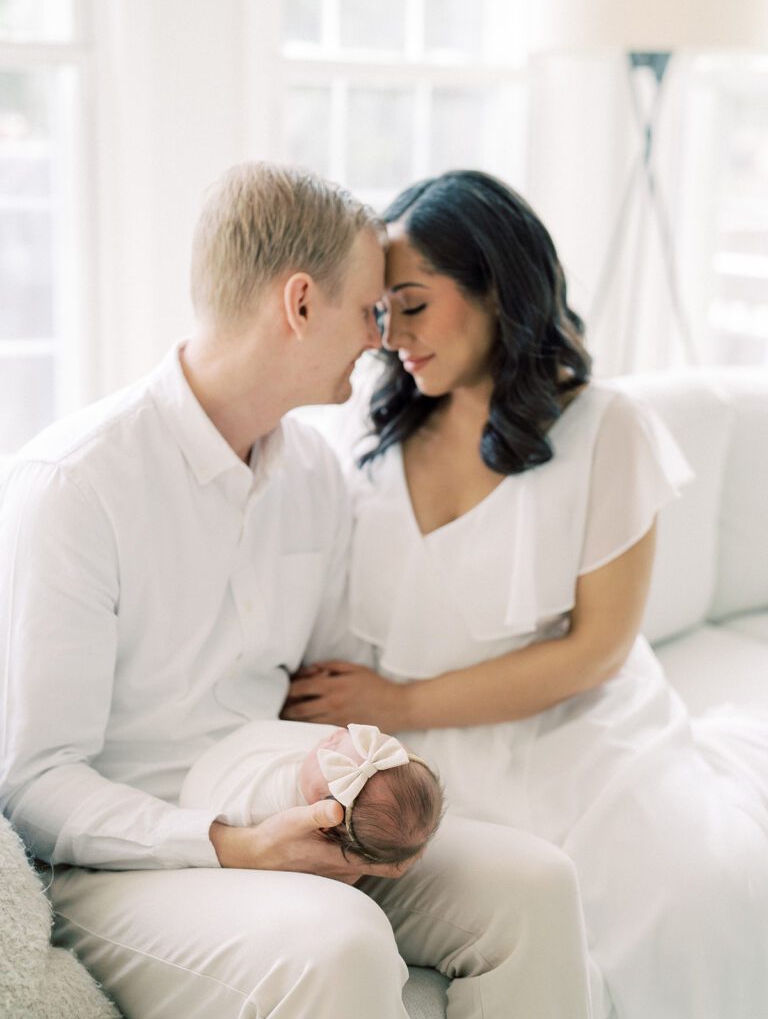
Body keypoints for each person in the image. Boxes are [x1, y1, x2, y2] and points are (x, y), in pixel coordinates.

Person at [0, 162, 599, 1019]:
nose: (382, 336)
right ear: (300, 304)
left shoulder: (315, 473)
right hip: (119, 866)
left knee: (538, 885)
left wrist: (342, 795)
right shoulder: (75, 485)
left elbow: (317, 686)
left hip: (277, 806)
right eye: (370, 309)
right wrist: (233, 845)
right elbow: (32, 783)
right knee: (339, 946)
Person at [282, 169, 768, 1019]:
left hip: (569, 727)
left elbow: (597, 651)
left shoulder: (607, 428)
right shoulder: (364, 427)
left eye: (414, 304)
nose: (392, 334)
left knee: (683, 900)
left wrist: (401, 698)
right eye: (381, 311)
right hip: (414, 744)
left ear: (497, 287)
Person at [180, 719, 444, 865]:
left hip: (204, 809)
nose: (334, 734)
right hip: (208, 781)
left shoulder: (285, 815)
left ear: (324, 818)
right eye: (344, 736)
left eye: (334, 748)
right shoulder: (323, 783)